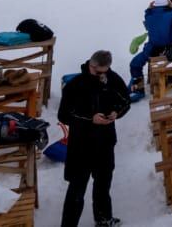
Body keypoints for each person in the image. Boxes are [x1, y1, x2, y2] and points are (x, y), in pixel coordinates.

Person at [58, 49, 131, 227]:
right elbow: (64, 115)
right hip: (81, 144)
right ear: (91, 65)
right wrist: (91, 118)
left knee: (103, 184)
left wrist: (116, 112)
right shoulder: (75, 85)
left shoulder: (112, 79)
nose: (101, 76)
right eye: (98, 72)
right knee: (76, 189)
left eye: (104, 72)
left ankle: (103, 219)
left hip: (105, 142)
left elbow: (125, 101)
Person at [129, 0, 172, 94]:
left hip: (151, 50)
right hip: (168, 50)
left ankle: (138, 87)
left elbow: (148, 15)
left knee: (135, 64)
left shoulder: (149, 17)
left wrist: (148, 9)